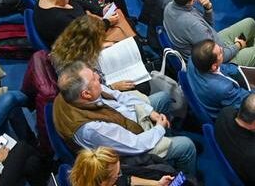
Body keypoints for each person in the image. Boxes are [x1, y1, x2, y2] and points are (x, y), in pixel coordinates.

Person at [54, 62, 198, 176]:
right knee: (186, 146)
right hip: (131, 145)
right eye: (94, 79)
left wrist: (150, 112)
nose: (99, 78)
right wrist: (159, 128)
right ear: (85, 94)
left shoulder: (76, 91)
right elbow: (135, 145)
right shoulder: (91, 129)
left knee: (163, 98)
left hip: (127, 120)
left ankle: (169, 134)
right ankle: (186, 178)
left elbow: (120, 96)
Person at [33, 0, 135, 49]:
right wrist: (107, 22)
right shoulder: (59, 19)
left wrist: (100, 10)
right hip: (80, 47)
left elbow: (75, 0)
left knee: (122, 19)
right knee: (128, 31)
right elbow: (87, 35)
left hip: (86, 28)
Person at [187, 39, 255, 119]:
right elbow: (251, 102)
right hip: (231, 113)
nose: (222, 49)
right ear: (214, 66)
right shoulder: (223, 88)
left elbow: (223, 68)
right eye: (220, 52)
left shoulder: (193, 60)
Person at [69, 147, 175, 186]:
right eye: (117, 173)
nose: (120, 174)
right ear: (103, 182)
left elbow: (126, 180)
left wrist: (157, 183)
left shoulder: (86, 176)